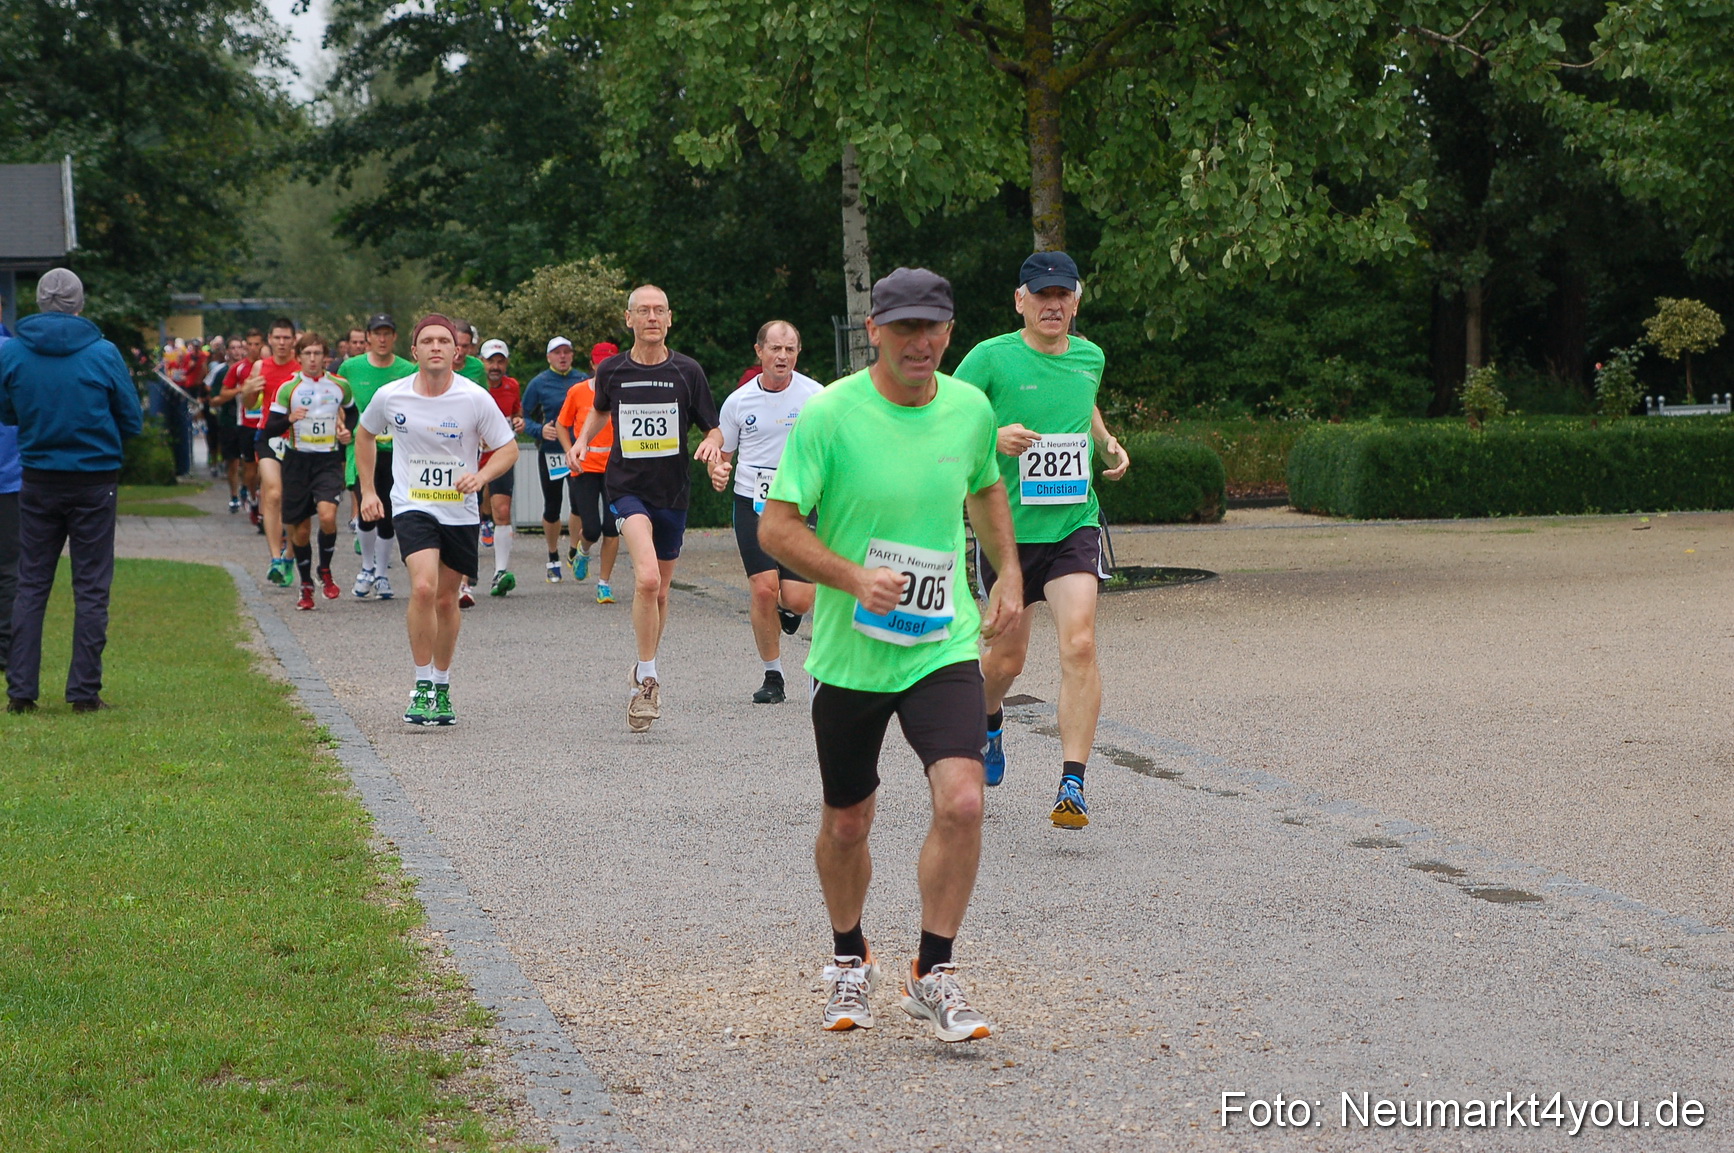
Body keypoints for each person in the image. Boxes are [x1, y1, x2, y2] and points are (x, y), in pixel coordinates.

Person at [758, 267, 1021, 1042]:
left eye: (933, 326)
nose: (920, 341)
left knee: (963, 799)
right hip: (853, 652)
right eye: (904, 327)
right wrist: (850, 578)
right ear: (873, 329)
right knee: (848, 820)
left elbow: (986, 486)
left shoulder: (970, 409)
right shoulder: (830, 415)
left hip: (941, 643)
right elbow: (777, 526)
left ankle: (933, 971)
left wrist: (1008, 570)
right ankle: (850, 954)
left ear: (949, 329)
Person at [954, 251, 1130, 830]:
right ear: (1020, 300)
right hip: (1005, 533)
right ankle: (989, 720)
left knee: (1079, 643)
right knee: (1007, 660)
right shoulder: (990, 357)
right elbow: (943, 418)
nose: (1052, 305)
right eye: (1041, 295)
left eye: (1062, 295)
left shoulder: (1090, 357)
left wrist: (1105, 441)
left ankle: (1072, 783)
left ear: (1076, 301)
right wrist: (992, 436)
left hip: (1072, 525)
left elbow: (1083, 402)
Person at [356, 314, 517, 726]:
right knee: (423, 587)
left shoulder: (474, 397)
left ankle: (442, 686)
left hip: (459, 509)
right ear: (414, 351)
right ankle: (422, 684)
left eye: (443, 341)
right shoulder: (391, 396)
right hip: (412, 504)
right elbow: (364, 433)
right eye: (427, 341)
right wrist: (369, 491)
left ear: (456, 351)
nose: (435, 347)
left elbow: (508, 448)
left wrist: (481, 476)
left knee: (446, 599)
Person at [575, 286, 722, 732]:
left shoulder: (687, 371)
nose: (652, 317)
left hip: (672, 493)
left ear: (670, 318)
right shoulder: (613, 369)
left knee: (660, 593)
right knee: (648, 579)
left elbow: (713, 428)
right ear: (630, 319)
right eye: (644, 311)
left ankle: (642, 665)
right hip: (626, 489)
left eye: (659, 310)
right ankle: (649, 682)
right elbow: (600, 410)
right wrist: (583, 440)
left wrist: (713, 450)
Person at [0, 269, 144, 713]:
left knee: (31, 583)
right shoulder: (103, 353)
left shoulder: (14, 352)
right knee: (91, 586)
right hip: (94, 480)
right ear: (79, 304)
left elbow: (6, 410)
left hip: (38, 478)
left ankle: (21, 691)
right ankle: (84, 691)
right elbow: (132, 418)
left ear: (40, 302)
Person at [702, 320, 822, 703]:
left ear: (798, 353)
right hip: (752, 502)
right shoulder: (739, 402)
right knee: (764, 588)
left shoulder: (816, 397)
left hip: (799, 505)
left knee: (799, 599)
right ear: (759, 352)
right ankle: (773, 676)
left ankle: (789, 611)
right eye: (775, 349)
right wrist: (717, 470)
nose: (782, 356)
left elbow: (832, 449)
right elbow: (722, 453)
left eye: (789, 349)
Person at [264, 333, 356, 610]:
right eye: (308, 354)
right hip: (297, 461)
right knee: (301, 531)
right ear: (299, 357)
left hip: (327, 461)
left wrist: (347, 431)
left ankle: (324, 570)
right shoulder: (288, 388)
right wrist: (289, 419)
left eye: (318, 354)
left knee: (328, 516)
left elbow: (352, 412)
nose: (313, 359)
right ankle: (305, 585)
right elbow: (270, 427)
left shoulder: (339, 385)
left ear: (325, 357)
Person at [341, 314, 415, 600]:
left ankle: (382, 574)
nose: (382, 339)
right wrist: (341, 427)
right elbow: (340, 403)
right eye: (377, 334)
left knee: (388, 512)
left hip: (396, 451)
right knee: (365, 506)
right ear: (368, 337)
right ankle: (366, 567)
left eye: (387, 334)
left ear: (394, 337)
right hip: (363, 448)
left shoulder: (408, 369)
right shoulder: (350, 368)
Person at [555, 341, 620, 603]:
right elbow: (562, 424)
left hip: (616, 467)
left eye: (609, 364)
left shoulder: (624, 391)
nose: (604, 369)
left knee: (612, 527)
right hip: (585, 466)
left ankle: (604, 584)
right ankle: (582, 551)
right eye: (600, 364)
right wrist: (569, 451)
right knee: (591, 528)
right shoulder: (578, 391)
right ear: (592, 365)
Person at [521, 336, 587, 584]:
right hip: (551, 452)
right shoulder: (539, 383)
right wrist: (540, 430)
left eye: (567, 352)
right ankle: (552, 556)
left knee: (579, 504)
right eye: (557, 353)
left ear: (572, 355)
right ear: (549, 357)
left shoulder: (582, 380)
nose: (562, 357)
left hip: (577, 452)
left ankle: (573, 549)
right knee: (552, 505)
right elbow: (523, 417)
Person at [240, 318, 300, 586]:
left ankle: (289, 556)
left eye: (287, 338)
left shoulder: (301, 367)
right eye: (277, 338)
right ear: (270, 340)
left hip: (298, 439)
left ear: (294, 340)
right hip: (268, 436)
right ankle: (275, 558)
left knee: (294, 500)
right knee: (273, 493)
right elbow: (250, 404)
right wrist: (248, 392)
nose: (282, 343)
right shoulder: (260, 367)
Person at [477, 338, 524, 598]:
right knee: (466, 513)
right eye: (490, 361)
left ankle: (500, 572)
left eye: (500, 361)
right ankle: (463, 574)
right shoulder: (471, 385)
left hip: (500, 454)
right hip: (472, 456)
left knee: (503, 511)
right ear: (481, 362)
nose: (495, 366)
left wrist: (518, 421)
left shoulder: (512, 385)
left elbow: (516, 413)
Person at [453, 320, 486, 384]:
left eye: (465, 346)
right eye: (456, 345)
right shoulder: (437, 366)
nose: (460, 352)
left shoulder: (478, 366)